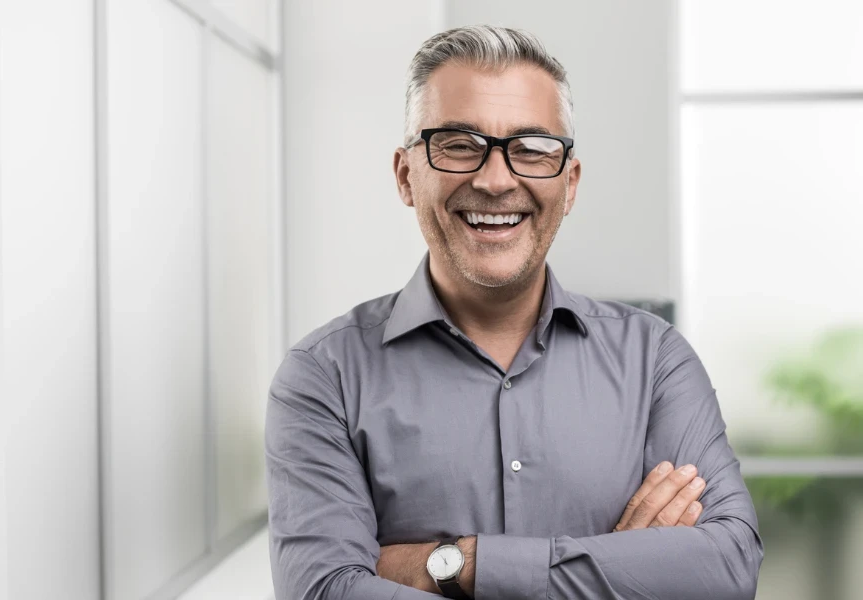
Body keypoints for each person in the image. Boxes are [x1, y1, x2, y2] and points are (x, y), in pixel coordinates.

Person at [265, 25, 763, 600]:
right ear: (406, 175)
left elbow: (727, 571)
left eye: (531, 149)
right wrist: (620, 573)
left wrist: (457, 563)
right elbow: (325, 592)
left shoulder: (656, 362)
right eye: (457, 144)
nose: (496, 179)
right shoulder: (322, 377)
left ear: (569, 184)